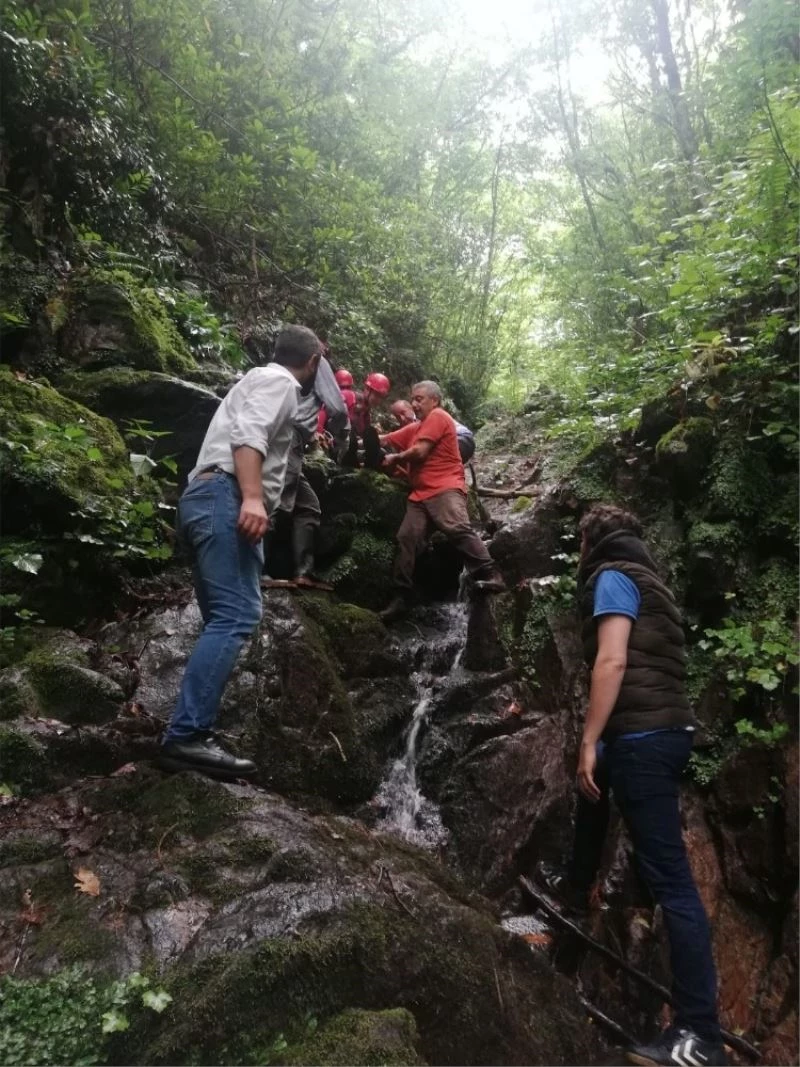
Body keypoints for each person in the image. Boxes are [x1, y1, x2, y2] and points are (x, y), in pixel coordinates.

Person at [573, 504, 726, 1067]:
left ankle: (699, 1037)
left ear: (590, 541)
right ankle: (574, 888)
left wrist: (589, 738)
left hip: (640, 737)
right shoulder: (654, 581)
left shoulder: (612, 577)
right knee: (590, 789)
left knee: (675, 888)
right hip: (663, 732)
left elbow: (612, 662)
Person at [158, 325, 323, 779]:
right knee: (238, 614)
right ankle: (187, 735)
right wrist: (252, 497)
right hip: (226, 496)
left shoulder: (254, 379)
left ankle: (190, 730)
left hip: (202, 497)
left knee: (222, 618)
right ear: (313, 362)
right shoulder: (282, 383)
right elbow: (249, 436)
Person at [377, 380, 505, 622]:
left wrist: (395, 458)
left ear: (434, 401)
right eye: (412, 399)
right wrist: (360, 440)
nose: (414, 403)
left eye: (419, 399)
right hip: (420, 494)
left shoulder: (438, 416)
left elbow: (420, 452)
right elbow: (385, 438)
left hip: (444, 487)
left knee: (456, 528)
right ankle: (401, 596)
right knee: (407, 538)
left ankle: (492, 573)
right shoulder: (417, 427)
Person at [265, 350, 349, 589]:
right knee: (276, 499)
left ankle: (303, 572)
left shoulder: (279, 361)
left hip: (283, 435)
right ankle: (256, 569)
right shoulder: (316, 361)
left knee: (308, 506)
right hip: (290, 435)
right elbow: (338, 408)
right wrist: (340, 434)